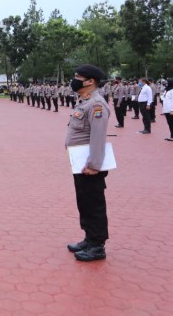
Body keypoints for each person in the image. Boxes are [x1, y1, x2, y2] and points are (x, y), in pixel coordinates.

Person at [65, 64, 111, 262]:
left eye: (77, 77)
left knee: (94, 203)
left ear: (90, 81)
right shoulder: (84, 101)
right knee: (84, 201)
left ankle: (97, 245)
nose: (74, 80)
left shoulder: (96, 104)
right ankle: (89, 238)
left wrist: (94, 164)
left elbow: (98, 137)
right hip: (80, 162)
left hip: (90, 165)